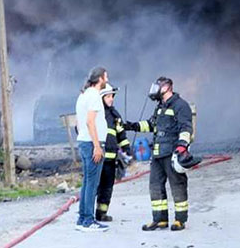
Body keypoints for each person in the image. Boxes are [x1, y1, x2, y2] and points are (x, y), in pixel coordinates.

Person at [126, 76, 195, 231]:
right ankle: (160, 220)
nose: (155, 90)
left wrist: (182, 146)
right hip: (157, 153)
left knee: (177, 185)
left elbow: (186, 128)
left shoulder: (180, 105)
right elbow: (151, 125)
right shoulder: (160, 107)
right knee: (155, 186)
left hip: (172, 152)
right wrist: (131, 126)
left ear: (167, 87)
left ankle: (180, 220)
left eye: (158, 86)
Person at [74, 66, 110, 232]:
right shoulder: (94, 95)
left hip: (83, 141)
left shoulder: (83, 95)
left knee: (87, 182)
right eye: (106, 77)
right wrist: (97, 146)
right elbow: (90, 121)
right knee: (92, 183)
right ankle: (88, 220)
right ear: (100, 78)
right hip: (91, 144)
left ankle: (82, 218)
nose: (107, 80)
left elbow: (79, 122)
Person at [95, 83, 132, 222]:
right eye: (108, 96)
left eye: (112, 96)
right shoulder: (96, 113)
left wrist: (127, 149)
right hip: (97, 158)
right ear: (101, 98)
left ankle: (101, 213)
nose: (111, 99)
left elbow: (121, 135)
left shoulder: (115, 115)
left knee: (107, 188)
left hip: (111, 160)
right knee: (94, 187)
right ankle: (87, 213)